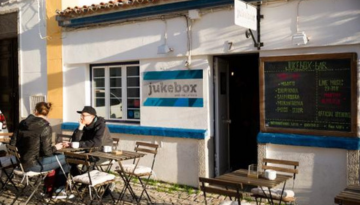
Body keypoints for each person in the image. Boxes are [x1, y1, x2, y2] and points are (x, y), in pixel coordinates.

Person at [10, 102, 72, 198]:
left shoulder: (22, 123)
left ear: (35, 111)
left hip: (20, 164)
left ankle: (48, 190)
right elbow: (47, 153)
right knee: (67, 158)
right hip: (34, 165)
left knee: (58, 159)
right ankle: (59, 190)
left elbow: (12, 144)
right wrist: (56, 147)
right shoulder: (45, 127)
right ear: (47, 113)